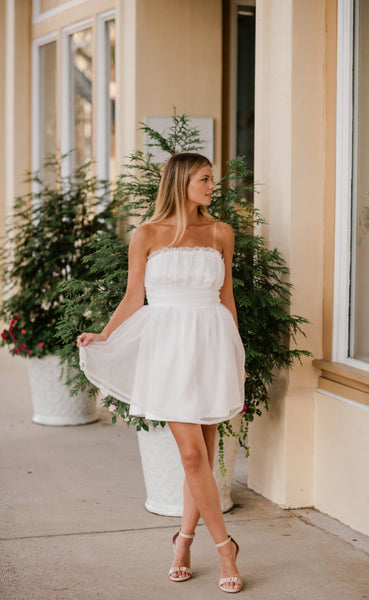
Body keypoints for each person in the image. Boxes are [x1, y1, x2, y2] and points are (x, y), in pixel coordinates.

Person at [77, 152, 245, 593]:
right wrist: (105, 335)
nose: (213, 186)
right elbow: (135, 298)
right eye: (205, 179)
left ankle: (183, 542)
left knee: (202, 462)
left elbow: (227, 300)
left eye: (212, 180)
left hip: (210, 345)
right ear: (182, 182)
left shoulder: (221, 232)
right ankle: (226, 548)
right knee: (192, 456)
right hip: (167, 350)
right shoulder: (147, 234)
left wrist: (237, 357)